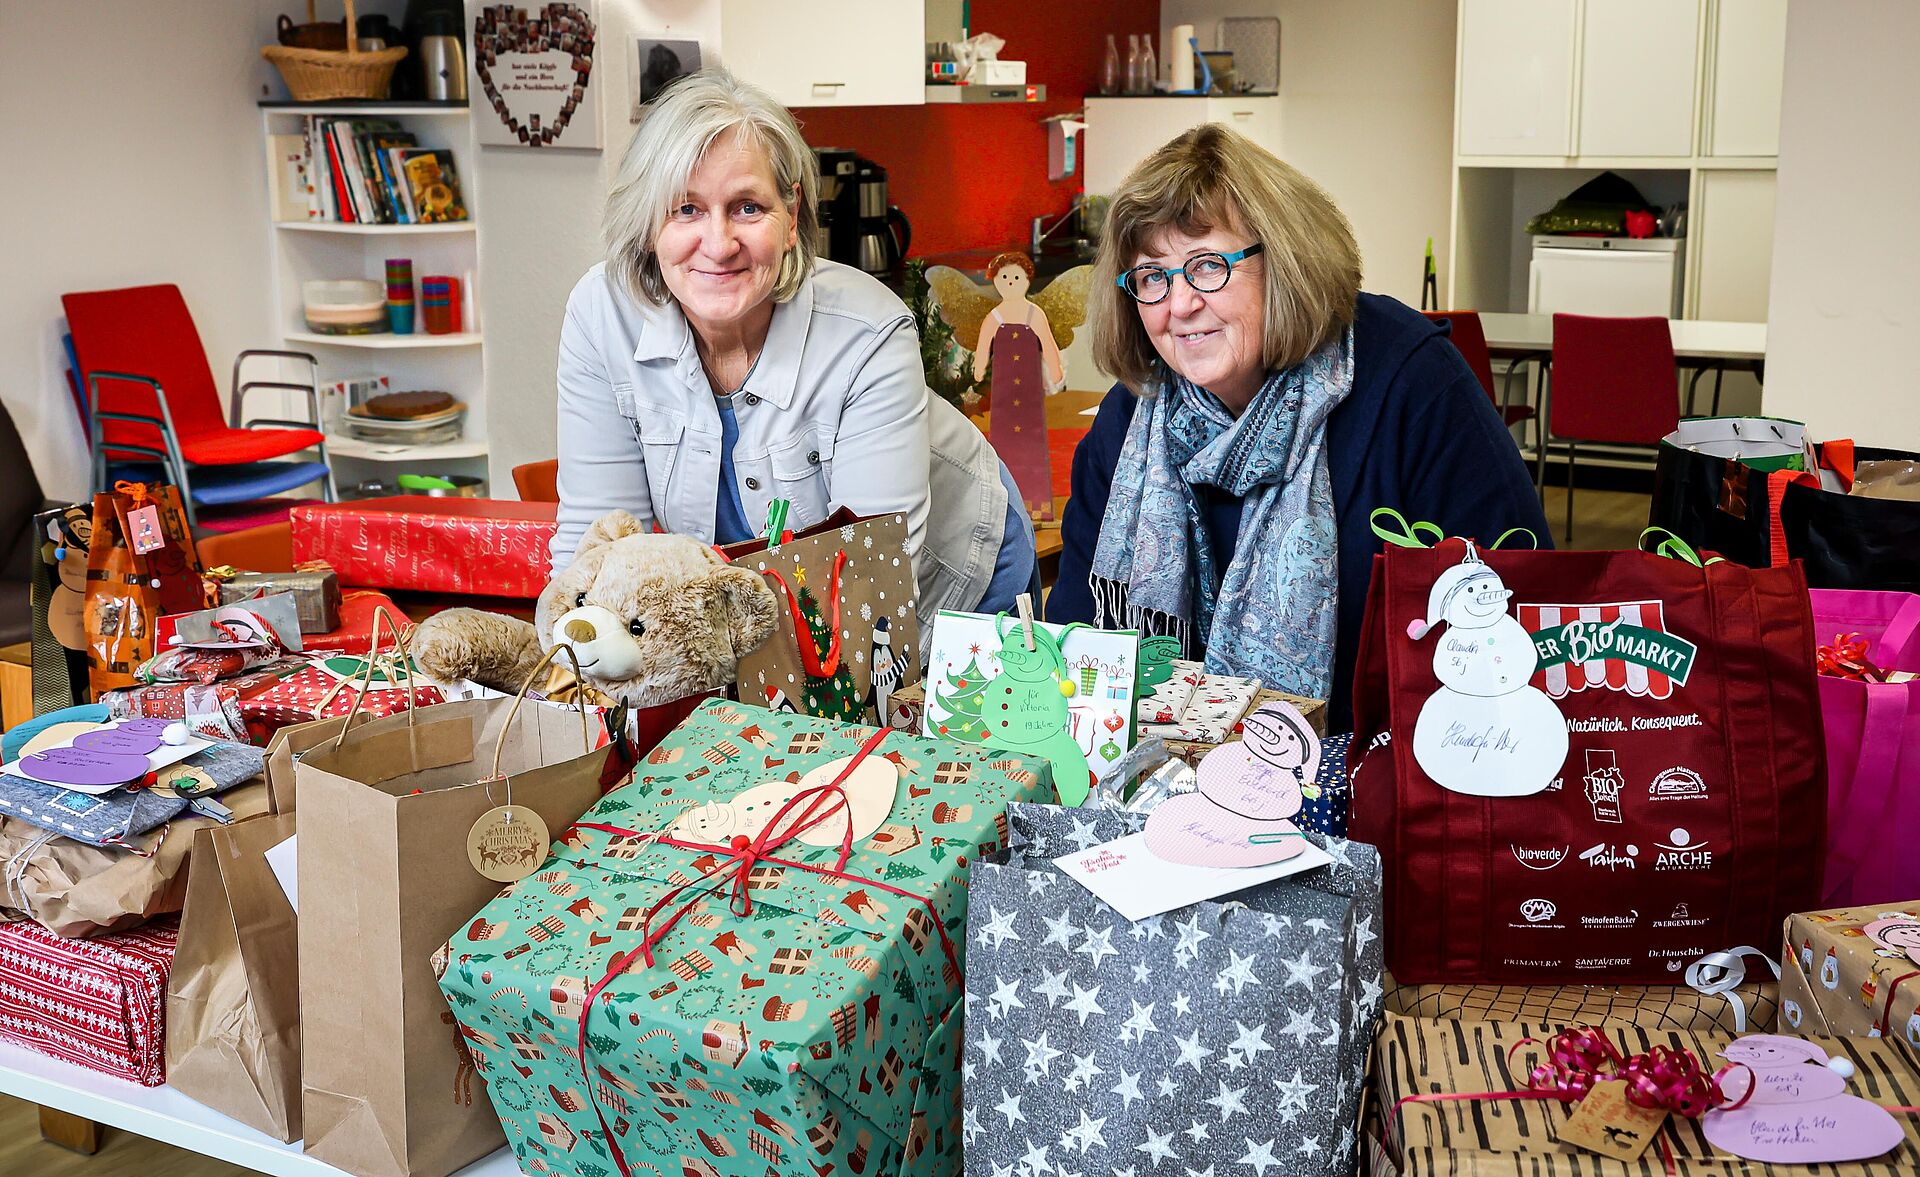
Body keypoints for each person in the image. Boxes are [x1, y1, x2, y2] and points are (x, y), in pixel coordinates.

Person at [1047, 124, 1548, 731]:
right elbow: (1072, 639)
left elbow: (1521, 601)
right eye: (1153, 276)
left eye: (1208, 266)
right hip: (1167, 788)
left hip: (1384, 776)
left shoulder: (1410, 380)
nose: (1179, 305)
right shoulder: (1131, 418)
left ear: (1282, 261)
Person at [552, 69, 1036, 617]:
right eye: (685, 209)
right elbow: (598, 550)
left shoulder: (869, 333)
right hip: (764, 617)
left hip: (950, 582)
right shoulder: (601, 314)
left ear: (791, 217)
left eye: (747, 207)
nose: (719, 243)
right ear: (647, 221)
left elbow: (869, 585)